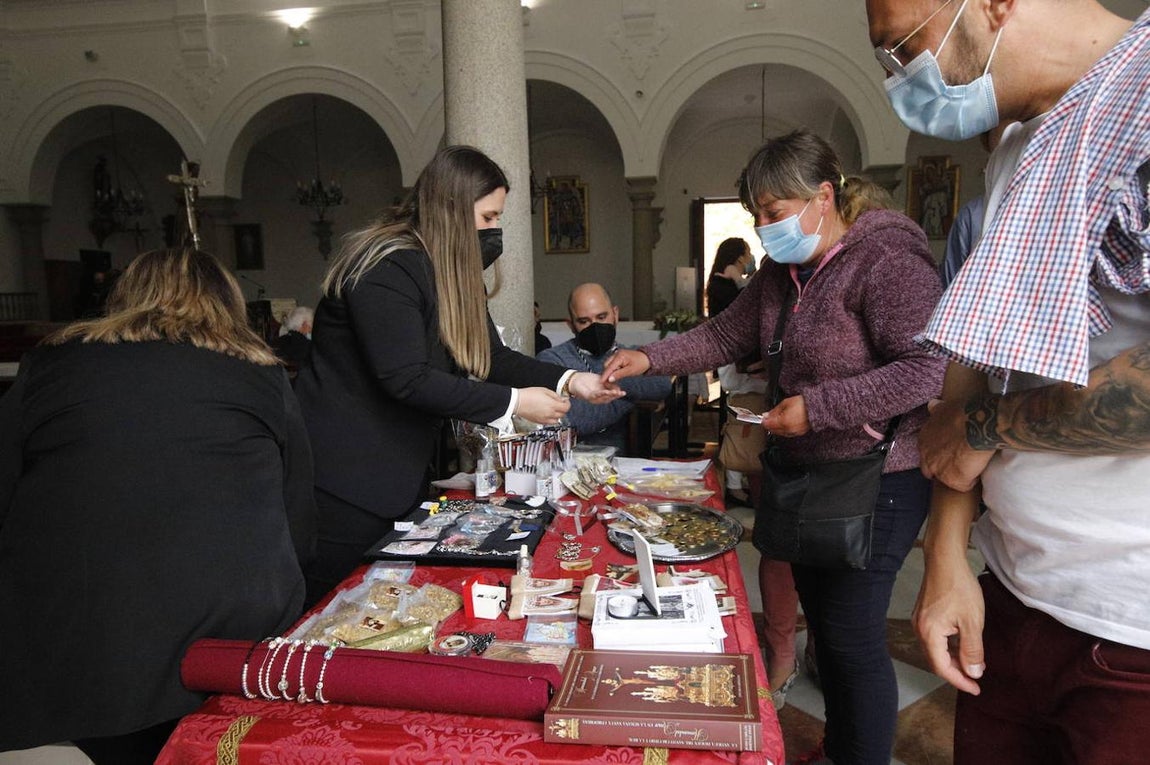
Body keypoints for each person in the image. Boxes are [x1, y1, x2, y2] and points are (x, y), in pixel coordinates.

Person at [603, 129, 946, 765]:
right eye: (756, 215)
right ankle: (841, 745)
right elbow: (722, 337)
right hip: (809, 476)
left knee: (851, 640)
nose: (764, 227)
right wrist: (648, 355)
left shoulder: (888, 262)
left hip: (878, 480)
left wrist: (818, 408)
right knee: (827, 624)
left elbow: (927, 370)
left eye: (774, 212)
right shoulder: (784, 272)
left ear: (824, 195)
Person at [866, 1, 1150, 762]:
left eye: (902, 45)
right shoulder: (1017, 146)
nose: (899, 75)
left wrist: (982, 427)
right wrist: (950, 555)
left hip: (1131, 630)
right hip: (1015, 595)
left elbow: (972, 418)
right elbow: (978, 357)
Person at [0, 248, 316, 764]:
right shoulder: (259, 374)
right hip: (225, 633)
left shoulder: (52, 367)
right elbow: (298, 516)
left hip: (83, 632)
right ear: (225, 303)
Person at [294, 146, 622, 605]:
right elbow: (406, 378)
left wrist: (570, 380)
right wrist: (513, 403)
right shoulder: (387, 265)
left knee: (380, 603)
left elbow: (489, 357)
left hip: (395, 471)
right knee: (337, 606)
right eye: (487, 218)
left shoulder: (447, 268)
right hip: (343, 477)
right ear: (451, 209)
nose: (494, 231)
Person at [537, 283, 672, 452]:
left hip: (626, 459)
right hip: (575, 459)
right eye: (584, 321)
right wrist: (629, 396)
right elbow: (575, 421)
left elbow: (663, 383)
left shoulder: (632, 355)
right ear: (571, 324)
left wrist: (612, 385)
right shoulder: (552, 359)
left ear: (615, 314)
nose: (595, 326)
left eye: (601, 317)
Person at [706, 236, 755, 317]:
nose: (751, 257)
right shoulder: (720, 285)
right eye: (749, 253)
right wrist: (738, 279)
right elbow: (745, 308)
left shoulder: (740, 283)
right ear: (740, 258)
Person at [273, 304, 314, 372]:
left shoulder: (275, 343)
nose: (312, 329)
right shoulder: (309, 347)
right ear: (305, 325)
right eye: (311, 324)